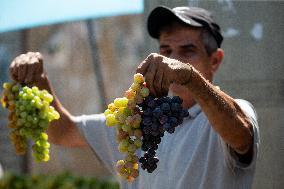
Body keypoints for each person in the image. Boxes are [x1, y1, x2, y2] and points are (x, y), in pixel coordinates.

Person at [9, 5, 259, 189]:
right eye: (166, 50)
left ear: (214, 61)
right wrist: (39, 79)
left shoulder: (229, 115)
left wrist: (190, 78)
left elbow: (241, 133)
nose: (174, 60)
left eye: (188, 51)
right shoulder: (135, 121)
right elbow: (62, 132)